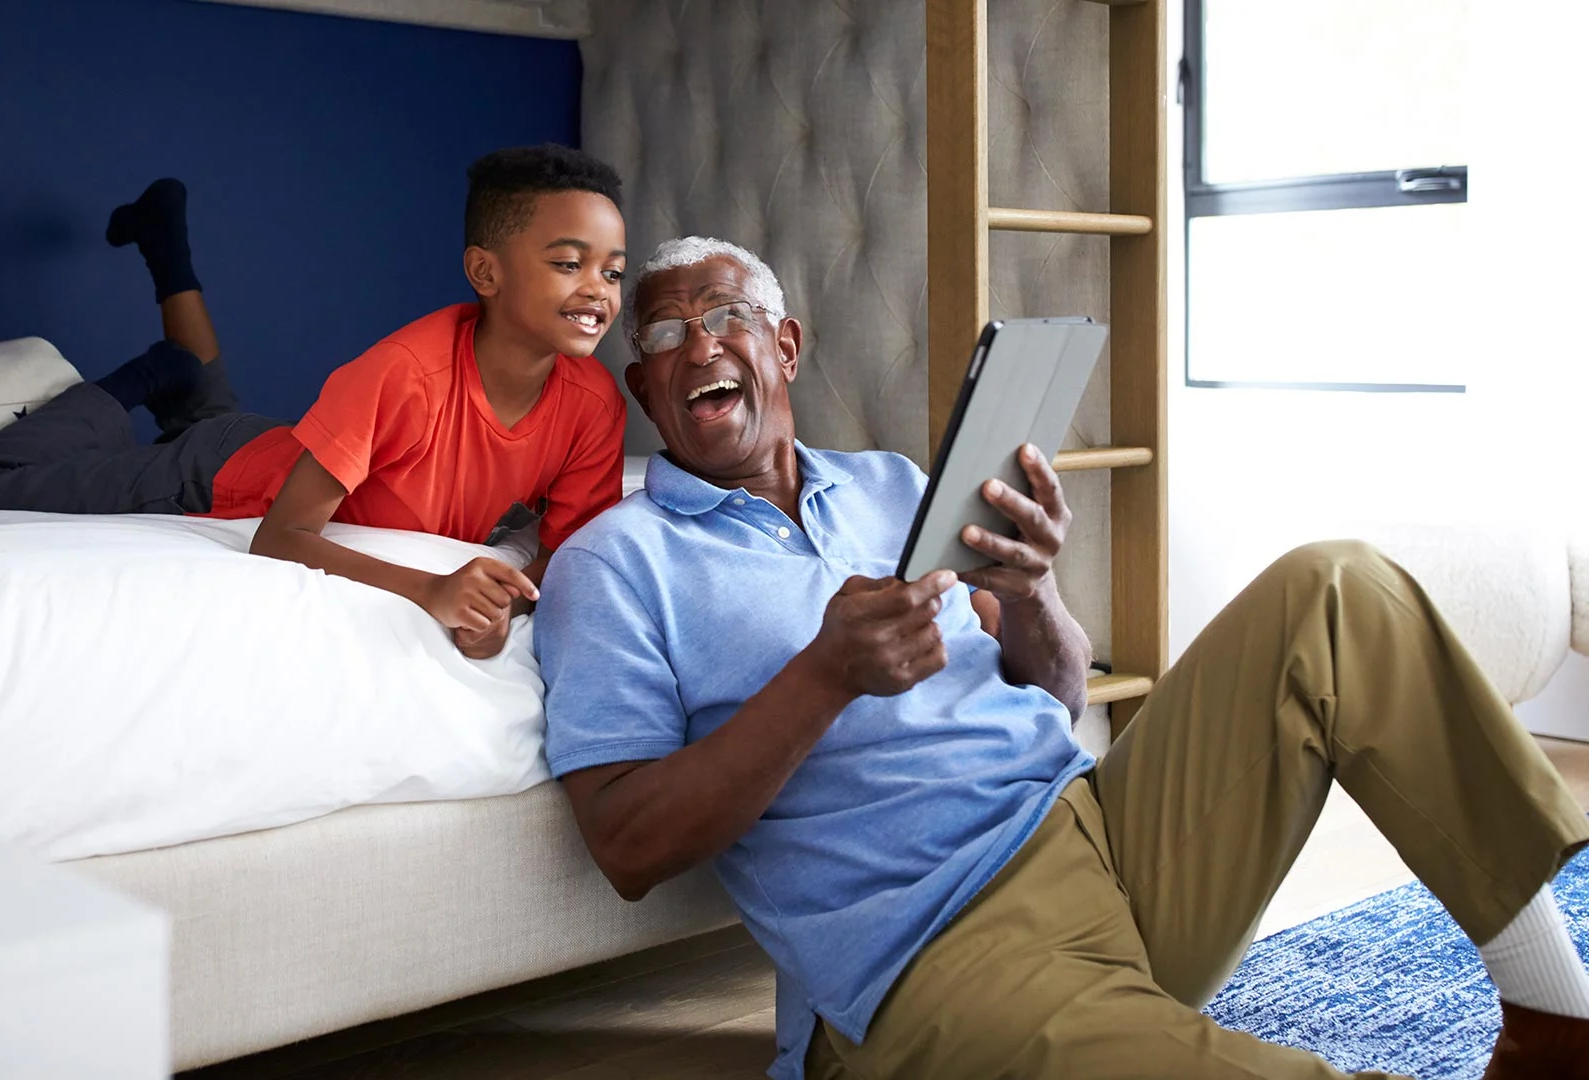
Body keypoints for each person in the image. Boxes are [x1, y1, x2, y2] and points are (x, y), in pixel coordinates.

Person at [532, 235, 1589, 1079]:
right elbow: (626, 846)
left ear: (787, 346)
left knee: (1337, 586)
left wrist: (1032, 589)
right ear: (643, 387)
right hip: (933, 949)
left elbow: (1057, 690)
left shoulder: (894, 484)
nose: (699, 347)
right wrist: (822, 677)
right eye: (665, 333)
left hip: (1105, 835)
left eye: (727, 316)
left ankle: (1557, 1017)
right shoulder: (615, 565)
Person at [0, 144, 630, 658]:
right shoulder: (405, 375)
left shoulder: (594, 405)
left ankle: (166, 257)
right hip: (216, 475)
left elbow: (567, 555)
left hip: (285, 448)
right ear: (485, 271)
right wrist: (431, 590)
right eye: (568, 264)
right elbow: (281, 537)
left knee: (211, 411)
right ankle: (150, 374)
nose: (597, 288)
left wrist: (505, 605)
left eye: (613, 271)